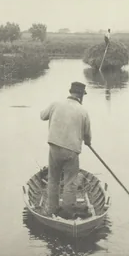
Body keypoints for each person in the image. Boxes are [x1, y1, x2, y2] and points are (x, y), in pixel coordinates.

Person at [40, 82, 92, 219]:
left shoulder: (55, 104)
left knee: (53, 179)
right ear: (81, 96)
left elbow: (42, 116)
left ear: (71, 92)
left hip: (54, 148)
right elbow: (87, 135)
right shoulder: (83, 111)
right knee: (70, 181)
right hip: (71, 151)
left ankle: (52, 210)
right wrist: (88, 141)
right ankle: (68, 213)